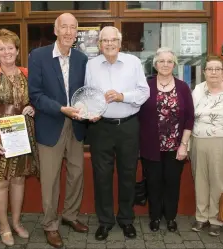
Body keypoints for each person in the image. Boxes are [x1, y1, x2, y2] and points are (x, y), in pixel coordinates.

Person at [28, 13, 89, 248]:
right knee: (50, 180)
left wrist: (88, 108)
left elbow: (85, 92)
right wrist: (62, 109)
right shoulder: (39, 56)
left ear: (76, 32)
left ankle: (70, 215)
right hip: (50, 124)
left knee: (76, 174)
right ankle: (50, 225)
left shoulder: (83, 59)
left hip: (76, 125)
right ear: (55, 30)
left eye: (72, 28)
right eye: (63, 27)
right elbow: (35, 95)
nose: (68, 32)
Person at [85, 26, 150, 241]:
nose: (110, 44)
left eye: (113, 40)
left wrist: (122, 96)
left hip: (128, 126)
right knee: (101, 176)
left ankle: (126, 220)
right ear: (99, 44)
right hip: (100, 127)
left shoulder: (133, 62)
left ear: (120, 43)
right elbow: (88, 94)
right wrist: (91, 111)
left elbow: (144, 92)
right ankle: (105, 222)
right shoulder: (91, 65)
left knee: (128, 174)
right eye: (105, 40)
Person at [0, 29, 39, 246]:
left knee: (19, 179)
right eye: (1, 48)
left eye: (10, 47)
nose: (6, 52)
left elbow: (37, 99)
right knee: (0, 182)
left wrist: (32, 107)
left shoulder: (27, 73)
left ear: (17, 50)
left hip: (22, 135)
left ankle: (16, 222)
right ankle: (3, 226)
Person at [139, 47, 194, 232]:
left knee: (172, 183)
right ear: (155, 64)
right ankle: (154, 217)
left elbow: (189, 118)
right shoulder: (145, 86)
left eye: (169, 61)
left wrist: (183, 145)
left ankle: (170, 217)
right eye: (161, 61)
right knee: (153, 183)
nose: (165, 64)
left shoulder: (183, 87)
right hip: (150, 146)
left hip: (175, 146)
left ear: (174, 65)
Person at [190, 55, 223, 236]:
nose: (213, 72)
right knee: (200, 180)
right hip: (198, 141)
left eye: (217, 69)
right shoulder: (198, 89)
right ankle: (201, 217)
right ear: (204, 72)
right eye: (210, 69)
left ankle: (216, 218)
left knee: (219, 181)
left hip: (221, 142)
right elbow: (189, 115)